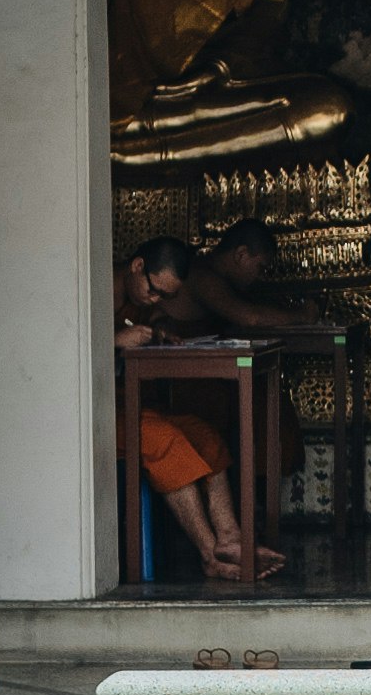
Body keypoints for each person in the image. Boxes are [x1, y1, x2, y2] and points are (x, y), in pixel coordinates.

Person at [115, 236, 277, 580]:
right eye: (154, 290)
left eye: (167, 296)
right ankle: (209, 554)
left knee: (205, 434)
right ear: (137, 267)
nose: (155, 299)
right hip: (97, 413)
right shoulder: (95, 290)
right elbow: (66, 342)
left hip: (134, 405)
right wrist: (114, 341)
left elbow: (156, 315)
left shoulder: (142, 299)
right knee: (167, 441)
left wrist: (161, 327)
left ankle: (230, 537)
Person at [152, 219, 309, 336]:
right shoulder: (204, 277)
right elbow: (251, 317)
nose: (260, 277)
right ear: (241, 254)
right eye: (260, 267)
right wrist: (302, 315)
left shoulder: (219, 278)